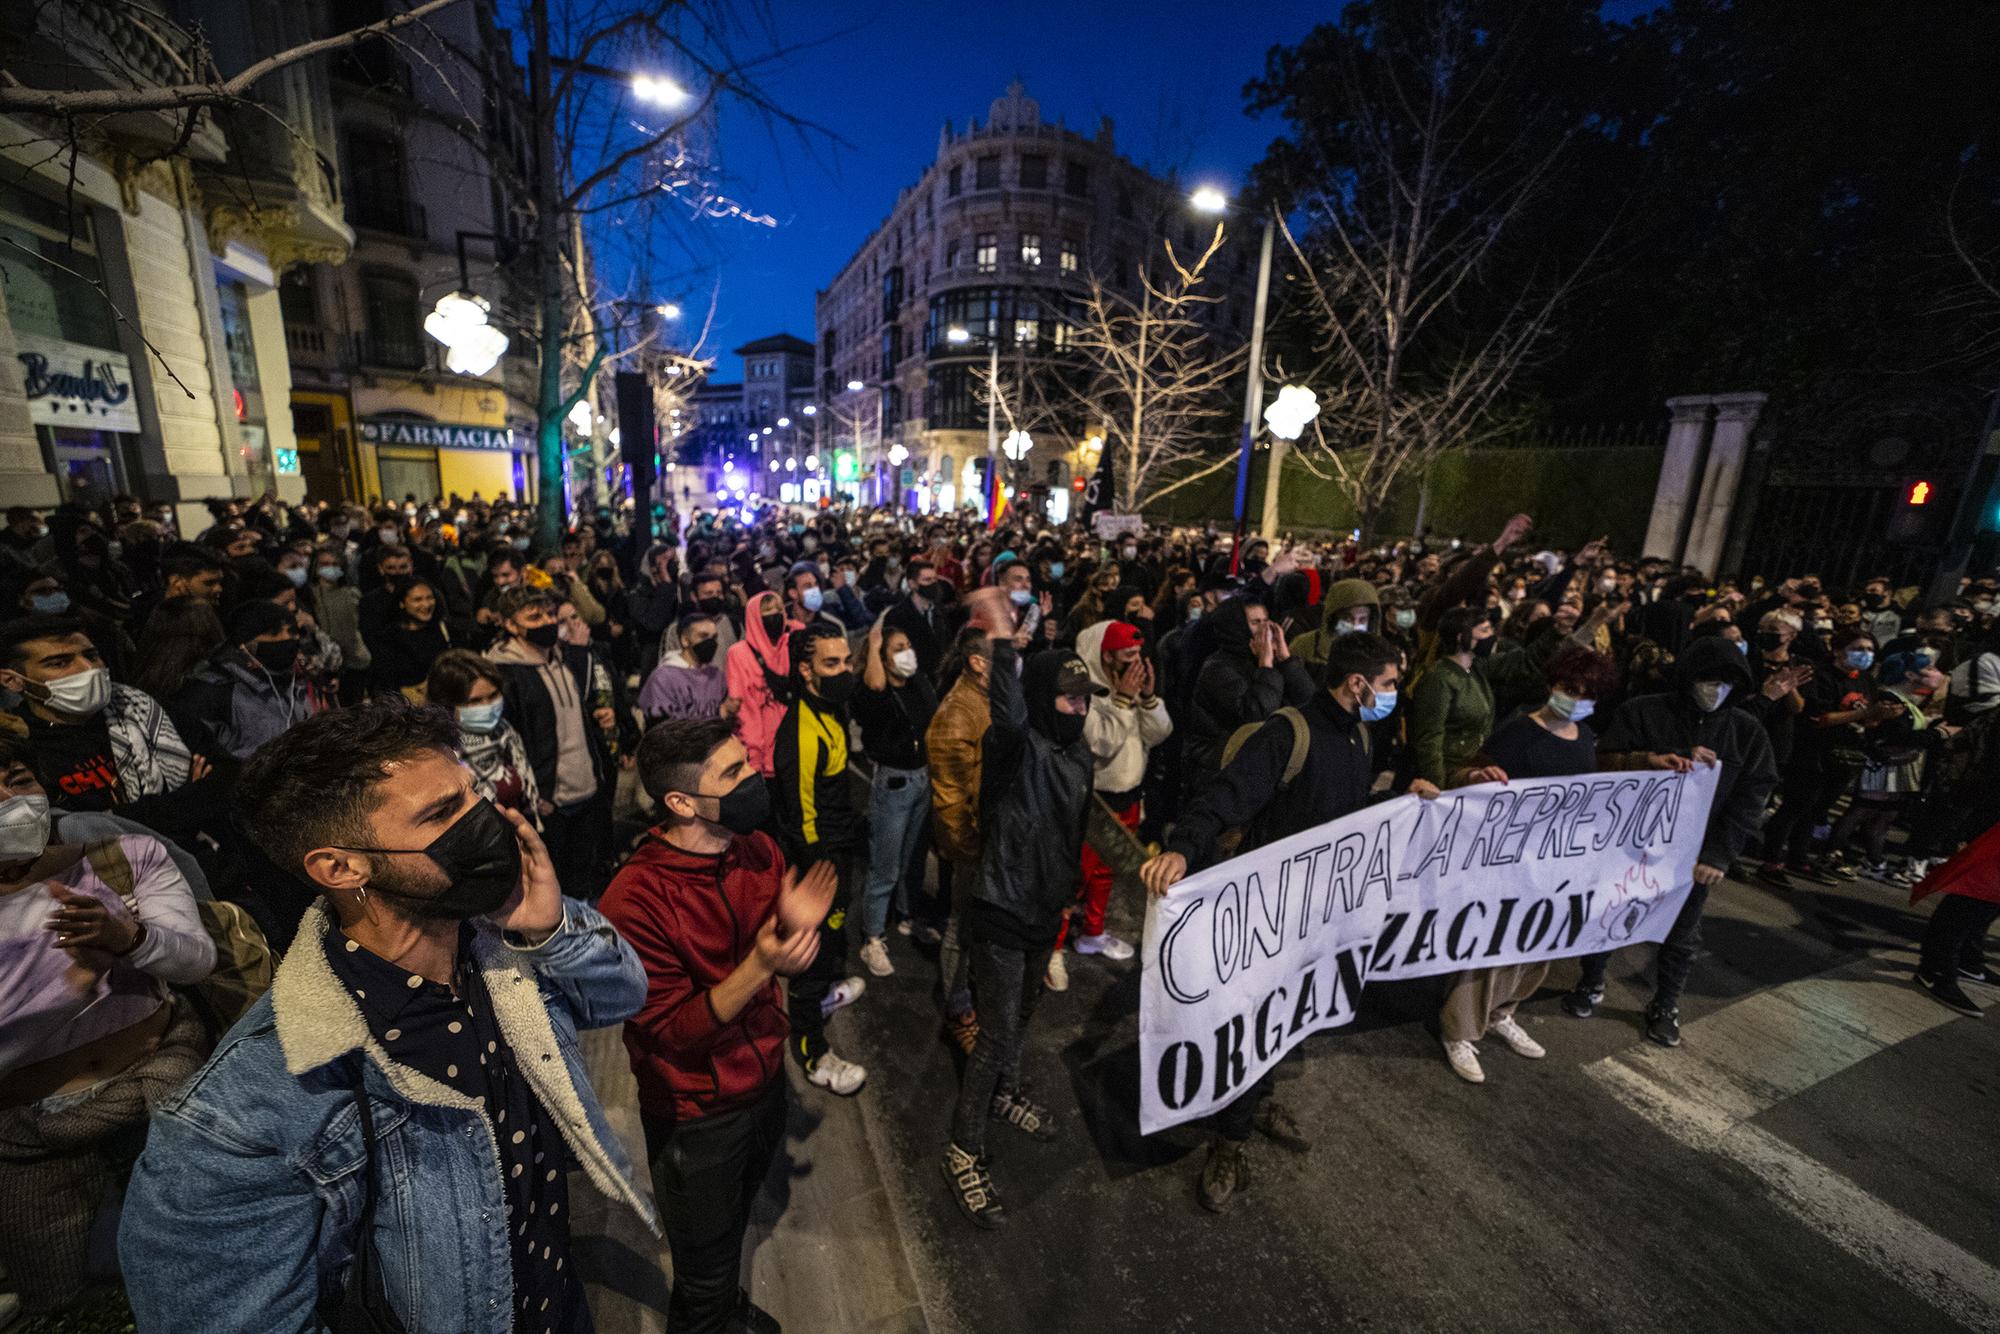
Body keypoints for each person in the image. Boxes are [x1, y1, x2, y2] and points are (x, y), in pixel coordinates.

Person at [118, 701, 654, 1331]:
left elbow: (621, 995)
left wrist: (550, 929)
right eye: (442, 813)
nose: (484, 820)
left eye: (471, 794)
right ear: (341, 867)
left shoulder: (496, 946)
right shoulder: (241, 1112)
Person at [1141, 632, 1408, 1212]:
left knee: (1289, 1018)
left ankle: (1256, 1098)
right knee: (1255, 1019)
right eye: (1389, 684)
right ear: (1358, 684)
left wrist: (1417, 798)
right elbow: (1225, 795)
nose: (1394, 694)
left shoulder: (1359, 735)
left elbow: (1352, 818)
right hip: (1270, 914)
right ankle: (1228, 1141)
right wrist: (1183, 848)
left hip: (1322, 915)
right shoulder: (1290, 734)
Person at [602, 720, 836, 1334]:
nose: (753, 778)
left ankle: (724, 1309)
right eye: (731, 773)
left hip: (763, 1079)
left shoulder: (757, 848)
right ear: (680, 802)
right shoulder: (636, 899)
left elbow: (777, 949)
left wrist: (792, 930)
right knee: (702, 1269)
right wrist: (764, 961)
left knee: (729, 1231)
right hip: (695, 1111)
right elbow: (673, 1031)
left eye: (747, 762)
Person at [0, 761, 215, 1316]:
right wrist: (73, 985)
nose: (8, 801)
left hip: (165, 1086)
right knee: (84, 1288)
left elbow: (196, 960)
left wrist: (132, 938)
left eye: (19, 780)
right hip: (33, 1136)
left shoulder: (123, 860)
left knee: (202, 1255)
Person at [940, 588, 1100, 1229]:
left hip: (1044, 910)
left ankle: (1004, 1094)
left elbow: (1083, 822)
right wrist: (1004, 639)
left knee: (1025, 1014)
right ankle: (963, 1148)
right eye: (1068, 698)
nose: (1079, 709)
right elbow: (1007, 716)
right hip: (1002, 907)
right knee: (998, 1032)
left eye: (1086, 699)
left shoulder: (1078, 750)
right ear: (1040, 699)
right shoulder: (1018, 745)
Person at [1561, 635, 1779, 1047]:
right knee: (1609, 914)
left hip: (1693, 858)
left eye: (1726, 682)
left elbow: (1753, 795)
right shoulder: (1643, 711)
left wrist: (1719, 854)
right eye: (1708, 679)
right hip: (1627, 846)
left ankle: (1665, 1002)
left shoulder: (1744, 732)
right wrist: (1659, 759)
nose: (1716, 689)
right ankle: (1590, 981)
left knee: (1681, 932)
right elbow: (1603, 764)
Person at [1437, 645, 1617, 1084]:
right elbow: (1463, 774)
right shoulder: (1519, 732)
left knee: (1536, 946)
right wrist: (1477, 778)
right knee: (1489, 948)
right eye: (1567, 688)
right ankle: (1458, 1031)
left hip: (1556, 867)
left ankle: (1502, 1012)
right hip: (1507, 862)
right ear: (1552, 685)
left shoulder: (1586, 739)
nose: (1575, 699)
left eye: (1586, 693)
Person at [771, 622, 870, 1094]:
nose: (844, 671)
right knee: (810, 958)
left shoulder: (831, 708)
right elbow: (801, 818)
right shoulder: (801, 734)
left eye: (847, 660)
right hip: (819, 863)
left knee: (832, 942)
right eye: (832, 664)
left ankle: (824, 998)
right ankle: (812, 1051)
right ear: (806, 671)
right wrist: (820, 876)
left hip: (838, 852)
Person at [486, 586, 614, 898]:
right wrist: (534, 794)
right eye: (534, 617)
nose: (546, 621)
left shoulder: (565, 658)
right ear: (511, 625)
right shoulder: (503, 673)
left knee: (582, 876)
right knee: (551, 884)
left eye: (549, 614)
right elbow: (503, 743)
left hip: (585, 786)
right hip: (547, 801)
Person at [1065, 618, 1171, 971]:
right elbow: (1103, 743)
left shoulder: (1130, 689)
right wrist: (1123, 700)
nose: (1135, 664)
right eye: (1127, 656)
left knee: (1106, 873)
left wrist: (1148, 698)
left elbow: (1158, 734)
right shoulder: (1086, 693)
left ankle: (1092, 932)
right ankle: (1051, 947)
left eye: (1139, 655)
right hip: (1096, 802)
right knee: (1074, 877)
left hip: (1128, 797)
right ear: (1106, 656)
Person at [851, 616, 938, 976]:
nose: (907, 654)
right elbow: (873, 686)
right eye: (897, 650)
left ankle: (907, 915)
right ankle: (872, 937)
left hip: (922, 779)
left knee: (914, 857)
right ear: (882, 658)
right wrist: (873, 644)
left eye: (907, 647)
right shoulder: (873, 693)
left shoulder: (917, 684)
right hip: (894, 784)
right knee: (885, 865)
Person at [926, 625, 993, 1053]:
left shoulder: (985, 699)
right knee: (960, 928)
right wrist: (972, 850)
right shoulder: (956, 714)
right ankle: (958, 1008)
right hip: (974, 844)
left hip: (991, 838)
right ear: (978, 662)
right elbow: (950, 802)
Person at [1181, 596, 1315, 791]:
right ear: (1237, 627)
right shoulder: (1218, 668)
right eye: (1255, 623)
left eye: (1266, 621)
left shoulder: (1266, 660)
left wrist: (1286, 660)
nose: (1265, 629)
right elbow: (1256, 716)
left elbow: (1308, 700)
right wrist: (1266, 666)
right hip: (1221, 769)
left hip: (1261, 765)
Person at [173, 601, 322, 761]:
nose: (288, 639)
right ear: (246, 644)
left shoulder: (294, 680)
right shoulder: (213, 692)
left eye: (292, 632)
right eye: (273, 632)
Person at [428, 648, 542, 823]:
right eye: (474, 701)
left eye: (493, 695)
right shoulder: (440, 756)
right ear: (448, 705)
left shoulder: (505, 732)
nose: (488, 706)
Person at [725, 590, 798, 777]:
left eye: (779, 610)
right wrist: (755, 758)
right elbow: (745, 711)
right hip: (763, 754)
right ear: (755, 618)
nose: (775, 616)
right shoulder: (739, 654)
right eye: (767, 613)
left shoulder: (791, 644)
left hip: (796, 743)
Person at [364, 577, 451, 702]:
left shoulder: (443, 630)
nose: (426, 605)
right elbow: (384, 682)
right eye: (417, 599)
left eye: (429, 598)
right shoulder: (388, 638)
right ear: (402, 603)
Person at [638, 612, 733, 724]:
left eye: (714, 637)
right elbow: (660, 727)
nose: (710, 642)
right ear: (685, 640)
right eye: (703, 636)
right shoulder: (663, 678)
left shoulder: (716, 675)